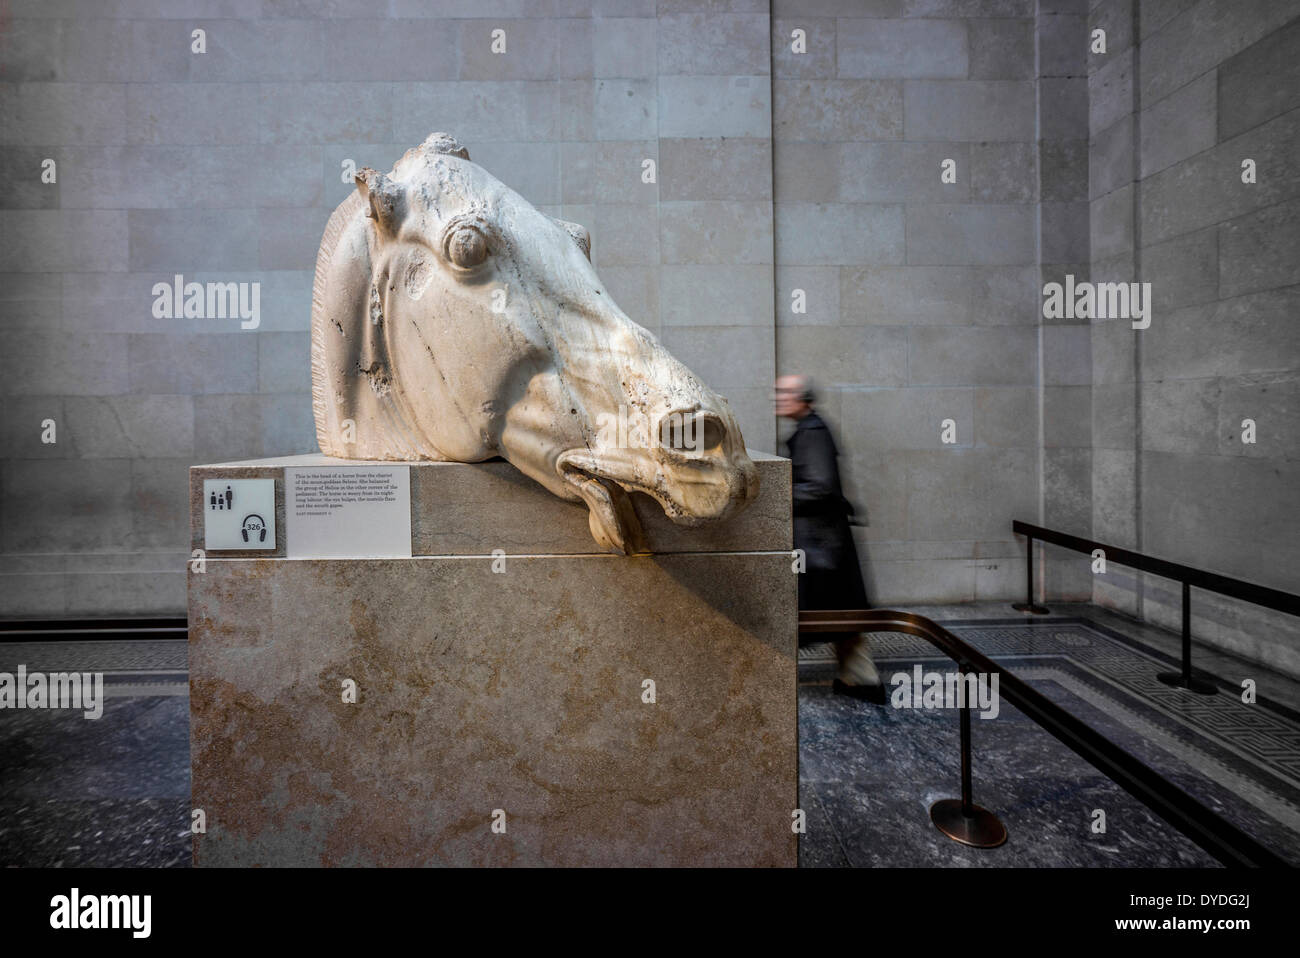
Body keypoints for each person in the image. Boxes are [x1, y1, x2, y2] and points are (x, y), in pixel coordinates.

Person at [775, 374, 884, 703]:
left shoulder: (814, 432)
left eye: (785, 392)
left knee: (831, 616)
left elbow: (821, 486)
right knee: (842, 619)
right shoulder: (809, 429)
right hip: (823, 545)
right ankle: (861, 680)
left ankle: (864, 681)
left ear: (803, 399)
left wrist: (780, 493)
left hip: (821, 547)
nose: (778, 397)